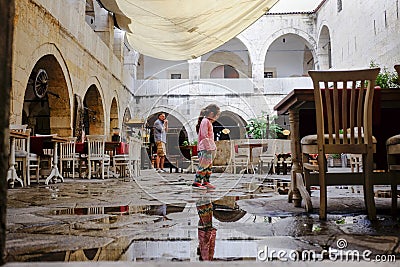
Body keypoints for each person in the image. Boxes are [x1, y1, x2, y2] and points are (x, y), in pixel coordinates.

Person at [192, 104, 220, 189]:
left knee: (208, 165)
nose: (217, 117)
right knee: (203, 165)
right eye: (217, 115)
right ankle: (197, 182)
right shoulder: (205, 121)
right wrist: (208, 147)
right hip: (205, 148)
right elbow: (204, 135)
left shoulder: (208, 122)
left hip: (208, 148)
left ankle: (206, 181)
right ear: (211, 114)